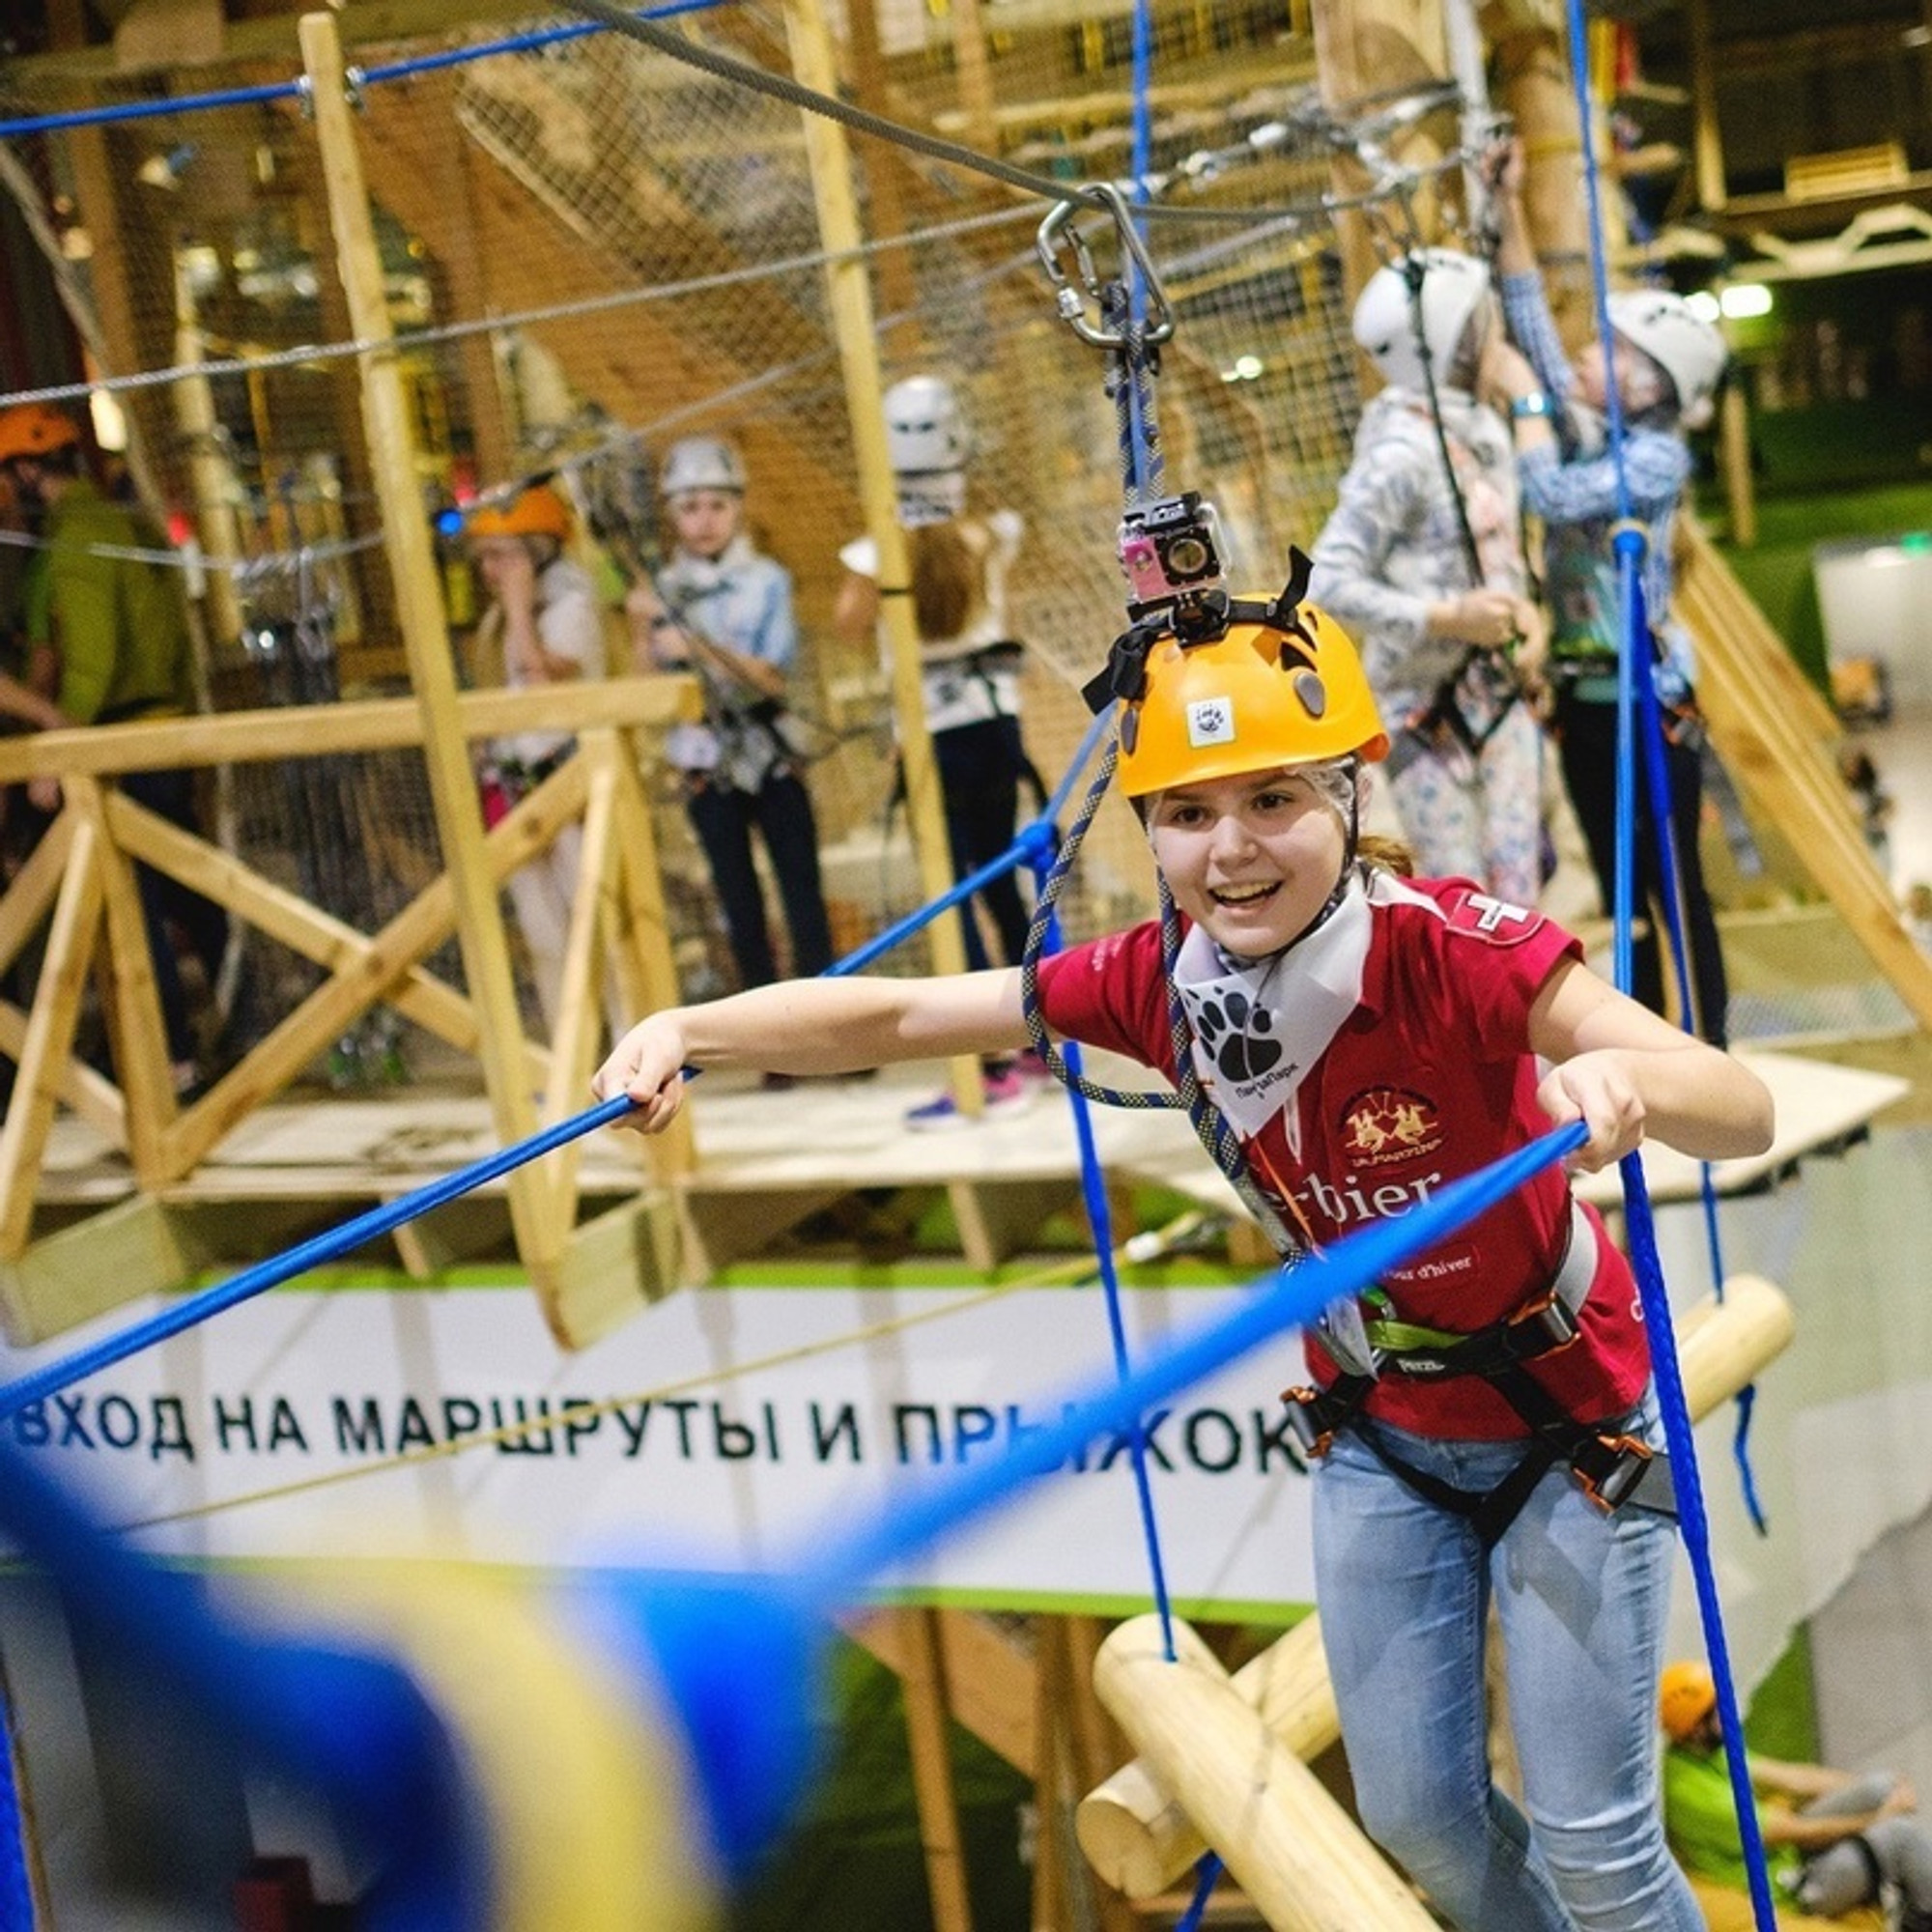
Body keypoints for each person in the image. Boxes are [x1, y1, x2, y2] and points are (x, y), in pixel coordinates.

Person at [595, 567, 1776, 1930]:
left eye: (1275, 798)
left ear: (1348, 794)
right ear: (1148, 831)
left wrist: (1626, 1090)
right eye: (1188, 813)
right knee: (1422, 1826)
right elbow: (909, 1017)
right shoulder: (1163, 987)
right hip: (1385, 1429)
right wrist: (696, 1028)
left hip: (1571, 1425)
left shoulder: (1452, 951)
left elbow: (1733, 1108)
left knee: (1597, 1846)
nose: (1233, 849)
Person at [1492, 145, 1735, 1042]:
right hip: (1589, 696)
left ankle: (1708, 1043)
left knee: (1676, 883)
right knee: (1619, 877)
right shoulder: (1601, 426)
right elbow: (1537, 340)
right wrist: (1510, 209)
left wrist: (1524, 415)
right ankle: (1649, 1037)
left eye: (1608, 351)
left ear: (1646, 382)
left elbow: (1550, 494)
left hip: (1648, 697)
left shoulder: (1656, 456)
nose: (1586, 359)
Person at [833, 375, 1045, 1129]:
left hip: (937, 734)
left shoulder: (883, 544)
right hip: (995, 724)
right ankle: (1033, 1042)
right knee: (999, 886)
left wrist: (886, 534)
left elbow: (848, 620)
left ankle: (983, 1064)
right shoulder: (989, 529)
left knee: (950, 893)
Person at [1310, 246, 1551, 908]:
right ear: (1453, 338)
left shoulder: (1483, 430)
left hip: (1502, 699)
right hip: (1425, 710)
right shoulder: (1399, 453)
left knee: (1521, 900)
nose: (1496, 340)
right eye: (1484, 324)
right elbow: (1326, 581)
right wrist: (1445, 617)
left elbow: (1502, 543)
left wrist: (1527, 617)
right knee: (1460, 907)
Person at [0, 401, 227, 1096]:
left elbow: (92, 656)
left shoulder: (81, 536)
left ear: (31, 472)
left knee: (138, 905)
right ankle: (229, 1018)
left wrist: (59, 743)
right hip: (151, 733)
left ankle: (173, 1058)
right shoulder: (112, 524)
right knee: (183, 891)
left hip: (118, 740)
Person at [626, 435, 835, 1023]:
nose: (704, 521)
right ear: (671, 514)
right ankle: (765, 1036)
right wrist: (642, 630)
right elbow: (646, 690)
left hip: (769, 750)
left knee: (802, 894)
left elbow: (770, 677)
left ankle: (828, 1027)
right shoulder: (662, 589)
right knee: (737, 904)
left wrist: (696, 646)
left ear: (738, 507)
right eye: (689, 508)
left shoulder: (767, 579)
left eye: (716, 505)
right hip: (704, 758)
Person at [467, 480, 608, 1039]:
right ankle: (570, 1046)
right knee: (542, 929)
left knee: (589, 916)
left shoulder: (571, 605)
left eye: (503, 556)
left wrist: (521, 609)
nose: (492, 571)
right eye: (484, 559)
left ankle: (622, 1041)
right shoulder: (499, 620)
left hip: (568, 780)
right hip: (518, 783)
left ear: (539, 552)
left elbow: (545, 673)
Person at [1662, 1659, 1932, 1929]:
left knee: (1880, 1788)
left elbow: (1795, 1779)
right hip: (1790, 1888)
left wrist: (1886, 1787)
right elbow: (1798, 1831)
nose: (1730, 1714)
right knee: (1900, 1837)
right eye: (1717, 1712)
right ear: (1697, 1729)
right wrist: (1879, 1819)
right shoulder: (1691, 1794)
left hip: (1789, 1854)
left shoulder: (1703, 1753)